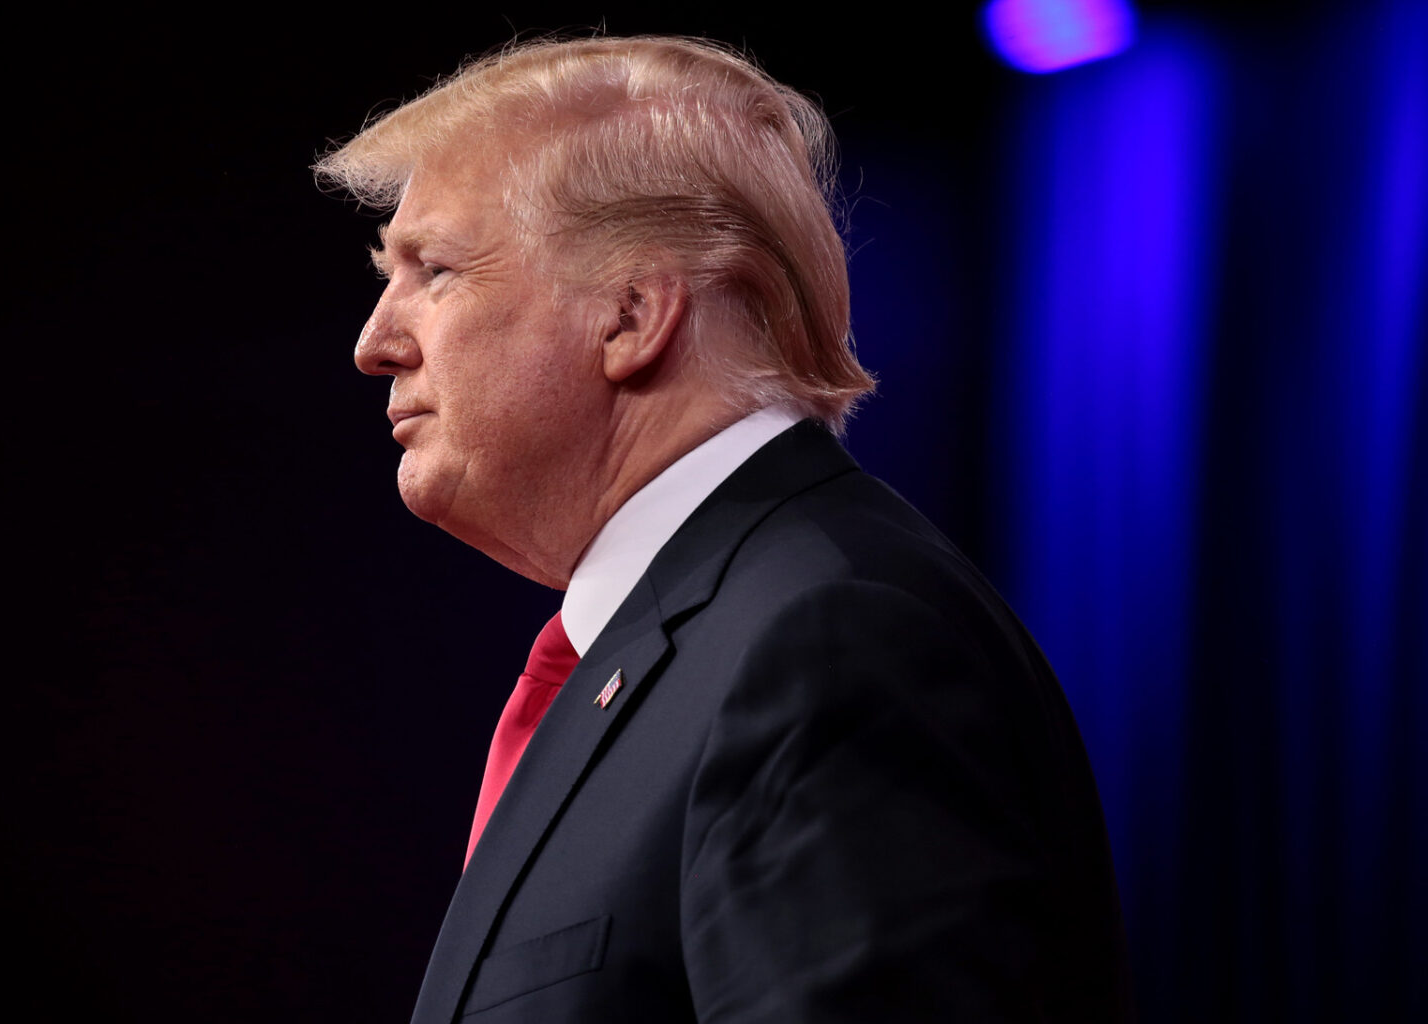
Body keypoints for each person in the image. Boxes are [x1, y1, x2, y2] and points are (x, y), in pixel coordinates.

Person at [317, 35, 1131, 1023]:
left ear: (631, 314)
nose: (375, 342)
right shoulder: (700, 643)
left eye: (432, 269)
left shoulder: (831, 638)